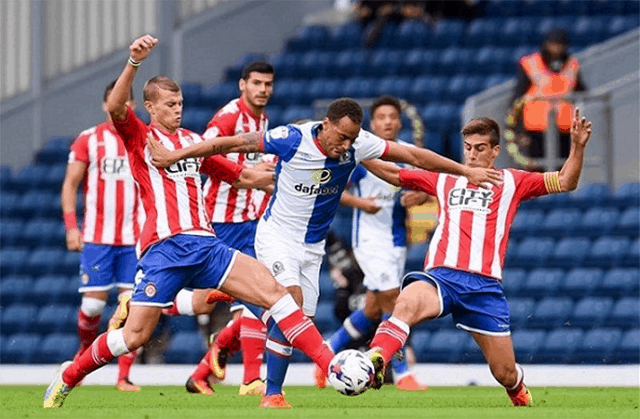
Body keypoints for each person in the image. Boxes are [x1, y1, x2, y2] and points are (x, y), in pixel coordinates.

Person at [148, 96, 503, 408]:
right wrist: (174, 155)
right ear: (326, 125)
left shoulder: (357, 143)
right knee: (290, 304)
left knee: (293, 321)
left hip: (311, 248)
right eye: (341, 137)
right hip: (277, 237)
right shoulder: (290, 138)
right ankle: (301, 378)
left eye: (351, 139)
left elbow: (410, 154)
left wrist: (463, 171)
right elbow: (225, 144)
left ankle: (271, 386)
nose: (345, 145)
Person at [44, 34, 338, 409]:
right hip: (165, 249)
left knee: (276, 294)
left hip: (208, 245)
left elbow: (240, 177)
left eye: (180, 103)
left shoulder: (191, 141)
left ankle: (332, 368)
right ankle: (70, 375)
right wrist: (134, 62)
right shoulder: (140, 137)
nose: (178, 109)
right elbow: (117, 106)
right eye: (169, 104)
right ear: (150, 106)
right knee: (133, 336)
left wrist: (283, 176)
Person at [363, 110, 592, 406]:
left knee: (505, 373)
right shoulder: (445, 177)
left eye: (480, 148)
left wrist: (577, 146)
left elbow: (565, 181)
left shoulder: (513, 181)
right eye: (468, 148)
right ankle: (375, 359)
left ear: (496, 151)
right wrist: (358, 153)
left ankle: (517, 388)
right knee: (405, 302)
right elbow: (393, 173)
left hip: (483, 288)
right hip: (442, 277)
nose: (472, 155)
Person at [164, 61, 276, 397]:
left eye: (268, 84)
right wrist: (250, 176)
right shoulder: (228, 118)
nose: (263, 89)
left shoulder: (262, 121)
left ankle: (221, 374)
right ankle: (148, 303)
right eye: (256, 83)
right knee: (209, 303)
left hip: (251, 222)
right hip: (223, 219)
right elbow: (204, 153)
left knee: (259, 298)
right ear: (242, 85)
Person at [315, 95, 429, 391]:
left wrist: (421, 196)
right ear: (373, 123)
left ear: (399, 121)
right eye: (381, 117)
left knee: (372, 310)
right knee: (395, 301)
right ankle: (402, 373)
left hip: (397, 241)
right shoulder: (359, 152)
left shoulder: (410, 153)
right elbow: (330, 186)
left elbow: (429, 188)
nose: (388, 121)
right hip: (368, 240)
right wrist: (359, 203)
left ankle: (325, 357)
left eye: (392, 116)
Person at [61, 80, 142, 393]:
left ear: (131, 106)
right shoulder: (89, 139)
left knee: (133, 306)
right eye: (111, 103)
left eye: (122, 102)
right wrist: (71, 226)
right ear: (105, 105)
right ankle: (82, 357)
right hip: (97, 237)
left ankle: (123, 376)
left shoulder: (142, 138)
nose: (116, 107)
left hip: (134, 238)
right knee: (94, 307)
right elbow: (70, 183)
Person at [506, 29, 587, 167]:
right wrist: (518, 129)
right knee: (538, 169)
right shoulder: (530, 63)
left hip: (566, 126)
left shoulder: (572, 64)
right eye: (553, 44)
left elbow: (582, 92)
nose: (556, 49)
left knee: (563, 169)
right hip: (536, 127)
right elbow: (517, 98)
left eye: (560, 45)